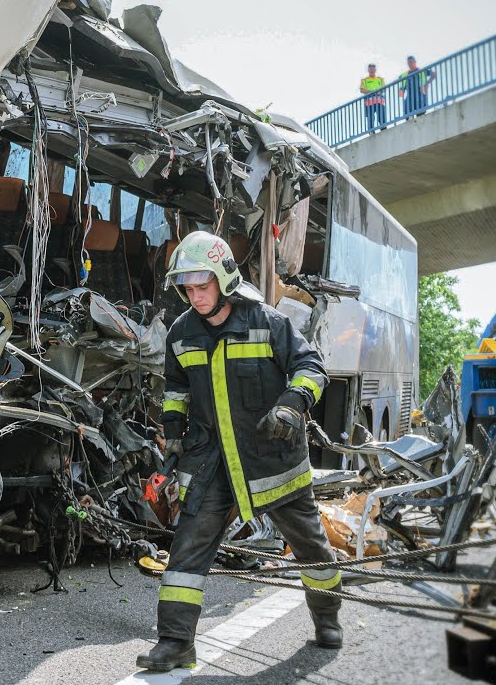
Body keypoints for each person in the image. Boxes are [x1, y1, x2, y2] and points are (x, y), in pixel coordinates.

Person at [136, 231, 342, 673]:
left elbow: (312, 366)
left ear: (224, 279)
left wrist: (291, 405)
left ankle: (327, 618)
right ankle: (174, 642)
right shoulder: (181, 333)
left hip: (273, 459)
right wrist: (172, 442)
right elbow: (175, 393)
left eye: (202, 286)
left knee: (309, 544)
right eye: (187, 289)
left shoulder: (268, 322)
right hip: (210, 462)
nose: (194, 297)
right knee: (187, 551)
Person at [359, 63, 387, 131]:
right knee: (370, 118)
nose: (372, 70)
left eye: (373, 69)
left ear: (375, 70)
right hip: (369, 103)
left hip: (379, 101)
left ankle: (383, 128)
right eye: (370, 69)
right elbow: (362, 90)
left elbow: (384, 88)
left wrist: (379, 91)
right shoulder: (364, 80)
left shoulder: (380, 79)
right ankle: (371, 131)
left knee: (381, 115)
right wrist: (370, 92)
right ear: (368, 70)